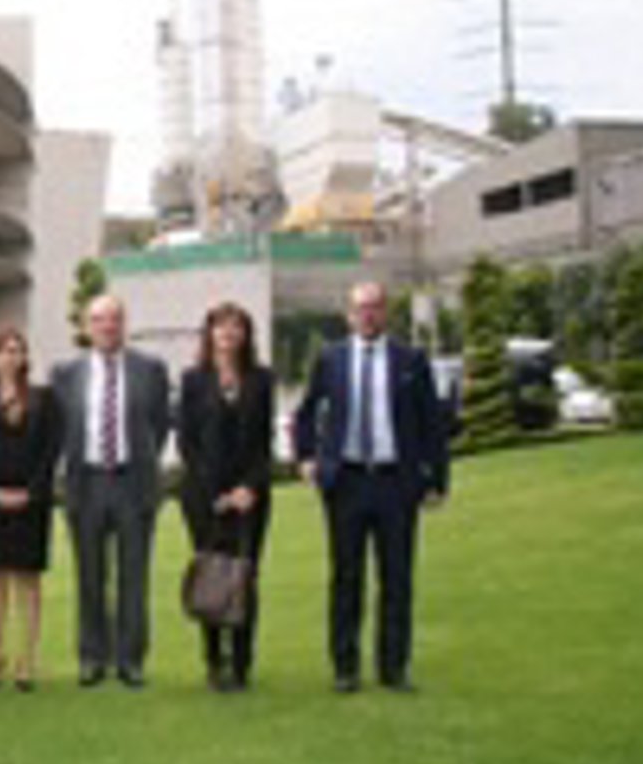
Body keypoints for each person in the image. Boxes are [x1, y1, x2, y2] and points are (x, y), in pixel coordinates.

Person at [292, 281, 450, 693]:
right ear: (349, 314)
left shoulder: (410, 360)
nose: (368, 314)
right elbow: (306, 412)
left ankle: (394, 668)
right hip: (346, 481)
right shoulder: (331, 358)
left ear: (386, 312)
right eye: (361, 307)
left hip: (396, 482)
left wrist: (437, 480)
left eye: (376, 307)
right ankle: (345, 667)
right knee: (346, 577)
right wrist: (306, 457)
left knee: (397, 578)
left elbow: (432, 424)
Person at [50, 294, 171, 689]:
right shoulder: (66, 373)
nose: (107, 327)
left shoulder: (150, 370)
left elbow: (160, 424)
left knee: (134, 576)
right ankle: (92, 657)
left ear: (124, 324)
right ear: (87, 327)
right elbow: (59, 428)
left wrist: (142, 462)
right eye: (99, 320)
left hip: (133, 482)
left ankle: (130, 659)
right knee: (89, 575)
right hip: (85, 483)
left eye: (114, 319)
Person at [175, 302, 275, 692]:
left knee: (245, 576)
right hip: (204, 496)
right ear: (210, 334)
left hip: (250, 496)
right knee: (212, 575)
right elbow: (186, 442)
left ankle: (243, 662)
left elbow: (264, 444)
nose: (228, 333)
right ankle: (215, 660)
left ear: (246, 335)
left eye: (236, 327)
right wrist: (215, 494)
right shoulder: (193, 380)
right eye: (220, 327)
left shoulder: (262, 380)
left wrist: (248, 488)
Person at [0, 327, 61, 691]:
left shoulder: (43, 399)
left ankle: (26, 660)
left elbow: (52, 450)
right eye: (3, 350)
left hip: (32, 502)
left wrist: (30, 493)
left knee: (27, 578)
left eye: (17, 350)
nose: (11, 356)